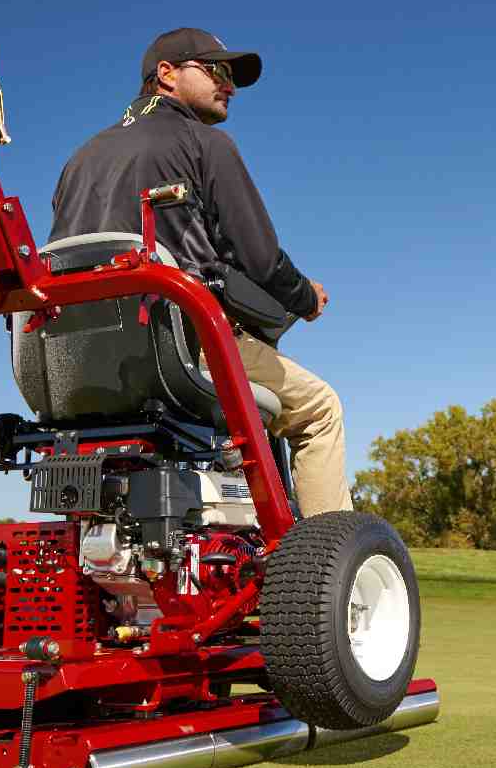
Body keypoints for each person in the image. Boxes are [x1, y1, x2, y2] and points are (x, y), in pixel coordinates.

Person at [49, 27, 351, 516]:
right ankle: (322, 567)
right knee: (320, 411)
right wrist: (305, 298)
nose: (228, 84)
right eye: (216, 70)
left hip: (78, 366)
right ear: (166, 75)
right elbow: (260, 257)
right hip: (179, 350)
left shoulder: (77, 160)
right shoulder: (206, 143)